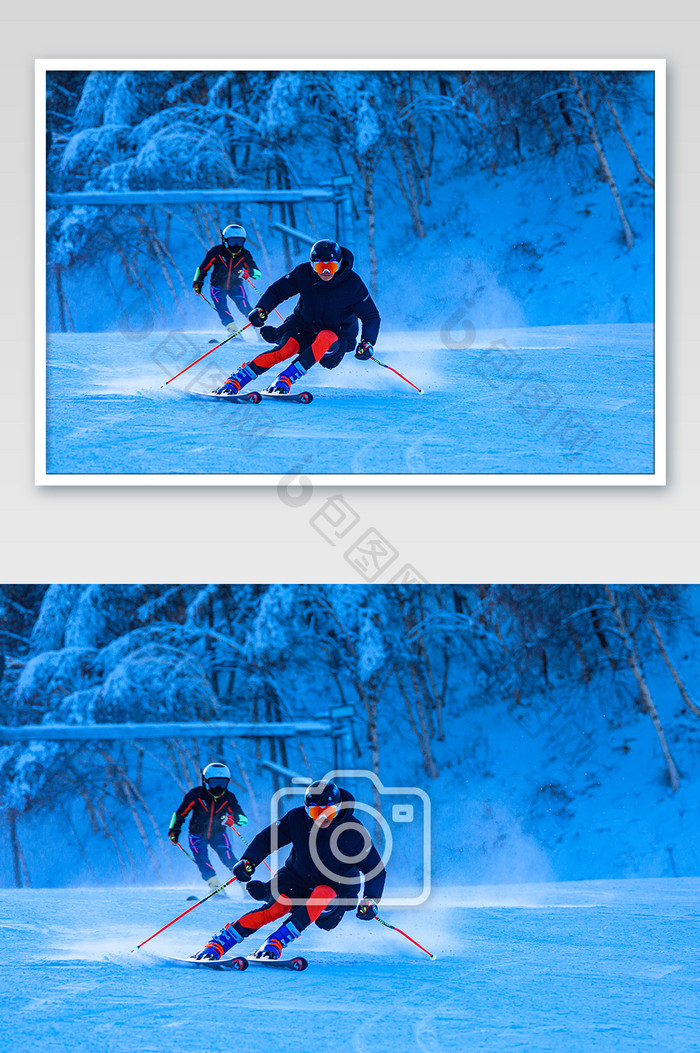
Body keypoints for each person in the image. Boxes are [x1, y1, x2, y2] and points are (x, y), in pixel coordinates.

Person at [193, 779, 386, 961]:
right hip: (298, 879)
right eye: (316, 812)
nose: (323, 818)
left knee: (323, 893)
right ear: (307, 810)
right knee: (278, 907)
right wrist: (248, 861)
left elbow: (374, 869)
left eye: (330, 812)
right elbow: (267, 839)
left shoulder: (353, 832)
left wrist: (370, 899)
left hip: (337, 891)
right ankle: (217, 944)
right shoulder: (297, 819)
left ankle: (275, 942)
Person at [213, 239, 380, 396]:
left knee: (325, 337)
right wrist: (262, 309)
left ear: (339, 263)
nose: (326, 272)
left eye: (332, 267)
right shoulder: (304, 273)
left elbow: (371, 316)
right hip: (303, 326)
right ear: (312, 265)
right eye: (320, 267)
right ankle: (235, 381)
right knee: (286, 350)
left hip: (337, 336)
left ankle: (285, 379)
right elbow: (278, 291)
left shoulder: (352, 283)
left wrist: (367, 341)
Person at [168, 761, 248, 895]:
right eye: (214, 783)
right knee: (202, 858)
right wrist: (174, 831)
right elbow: (179, 814)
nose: (218, 787)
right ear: (205, 781)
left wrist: (233, 819)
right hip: (197, 834)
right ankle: (215, 887)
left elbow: (244, 820)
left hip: (218, 834)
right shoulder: (196, 795)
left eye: (222, 783)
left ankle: (246, 886)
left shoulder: (228, 798)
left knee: (228, 857)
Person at [192, 224, 262, 335]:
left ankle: (259, 329)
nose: (235, 246)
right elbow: (202, 269)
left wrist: (249, 272)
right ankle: (233, 330)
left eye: (239, 242)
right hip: (217, 285)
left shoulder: (244, 254)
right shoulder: (216, 252)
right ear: (224, 240)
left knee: (244, 305)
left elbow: (258, 274)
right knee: (221, 305)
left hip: (236, 286)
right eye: (232, 242)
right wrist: (197, 283)